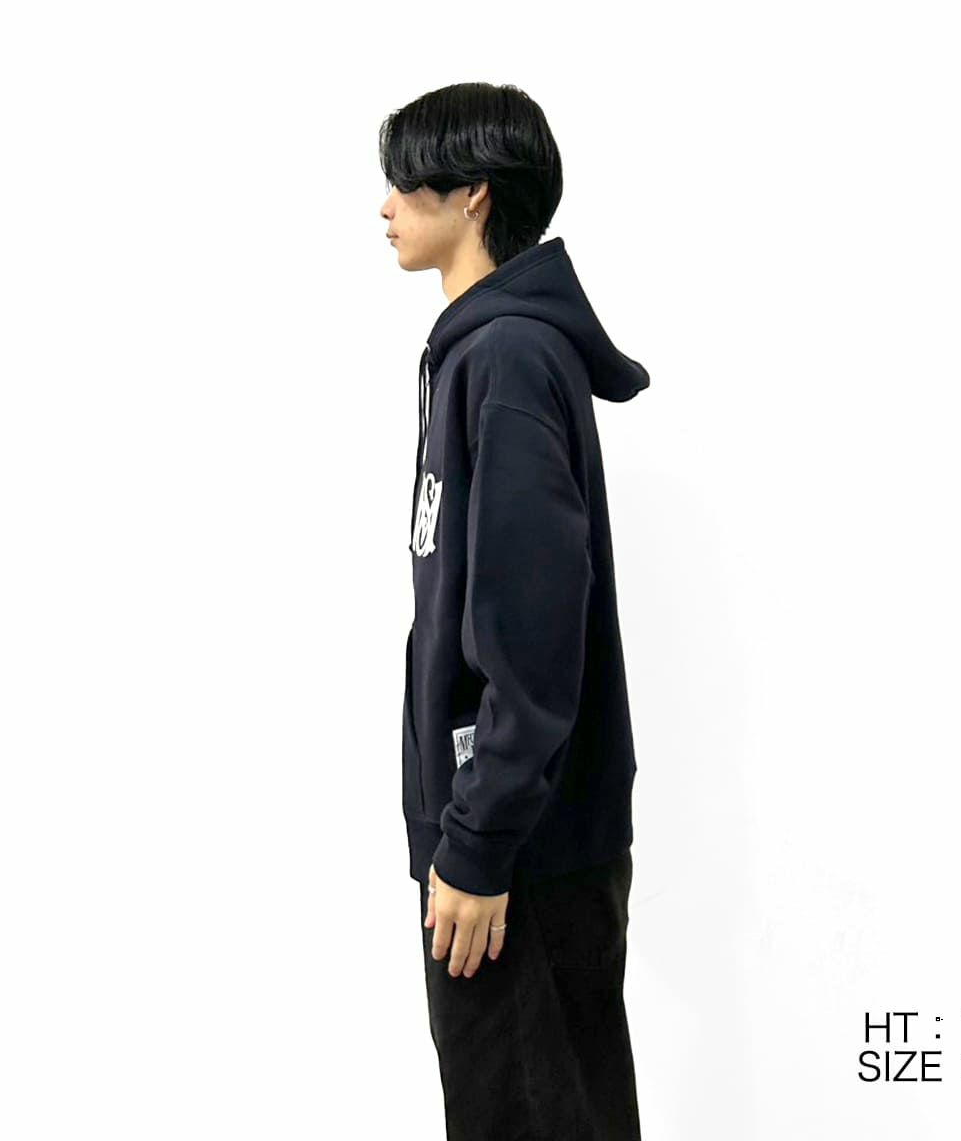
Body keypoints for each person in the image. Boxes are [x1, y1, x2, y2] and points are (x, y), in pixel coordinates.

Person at [380, 81, 649, 1140]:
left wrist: (477, 843)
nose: (387, 204)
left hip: (517, 856)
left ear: (475, 197)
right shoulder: (485, 354)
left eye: (409, 181)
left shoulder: (507, 360)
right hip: (508, 842)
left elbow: (530, 638)